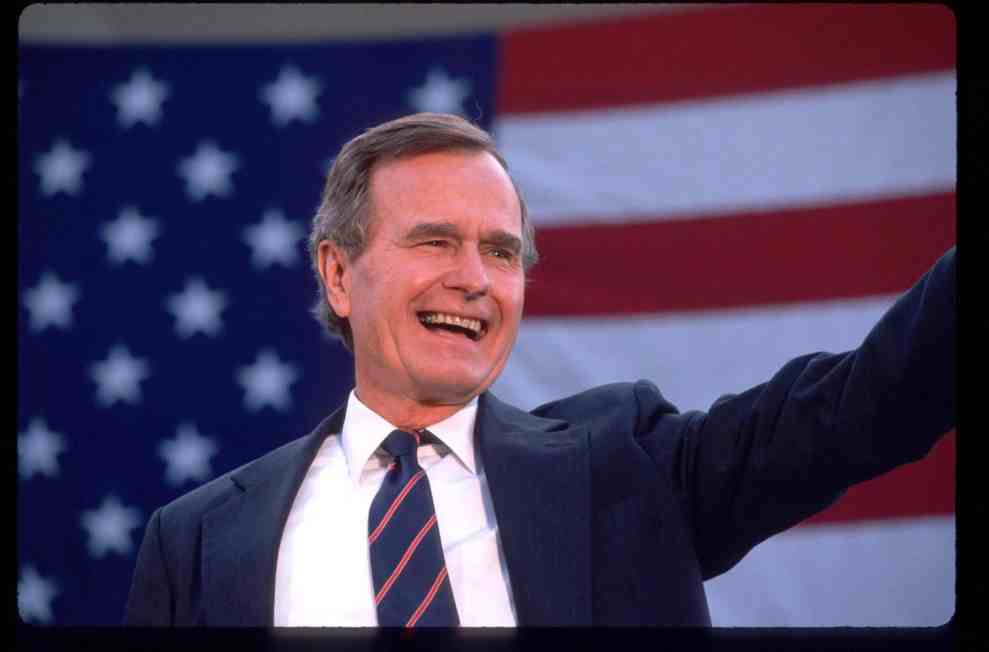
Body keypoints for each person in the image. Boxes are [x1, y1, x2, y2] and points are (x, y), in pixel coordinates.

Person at [123, 112, 955, 626]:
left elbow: (861, 405)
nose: (474, 279)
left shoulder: (628, 465)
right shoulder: (197, 539)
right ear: (338, 275)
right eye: (435, 241)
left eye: (500, 252)